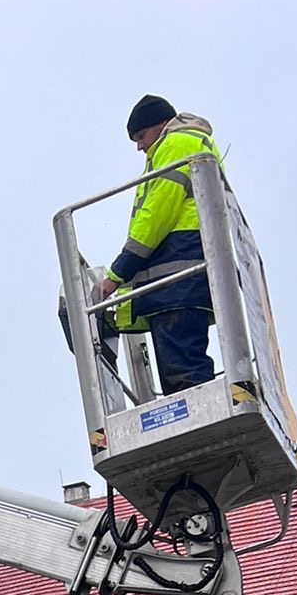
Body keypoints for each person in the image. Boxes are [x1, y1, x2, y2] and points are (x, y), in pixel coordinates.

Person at [95, 96, 223, 394]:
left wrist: (118, 275)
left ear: (160, 125)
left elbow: (155, 216)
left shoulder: (175, 145)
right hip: (187, 272)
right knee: (184, 368)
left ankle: (198, 430)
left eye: (141, 136)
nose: (140, 146)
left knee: (184, 376)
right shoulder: (194, 143)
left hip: (176, 277)